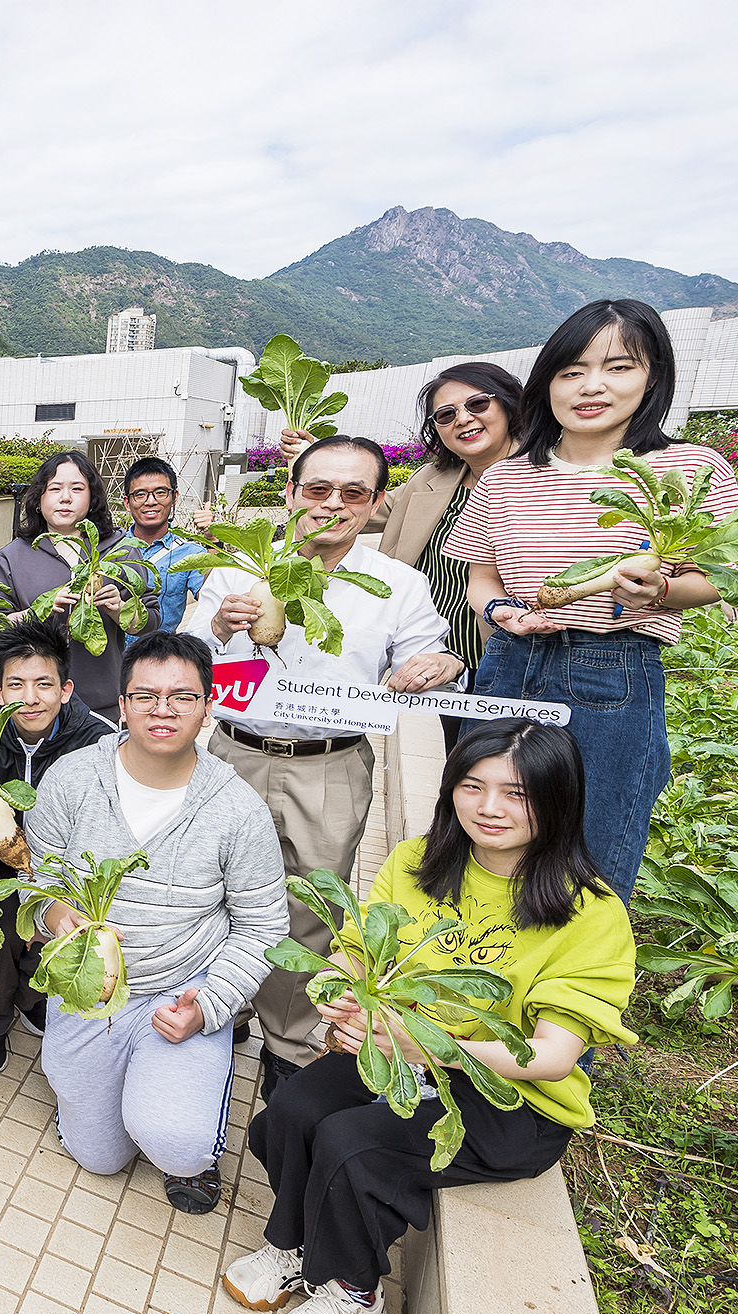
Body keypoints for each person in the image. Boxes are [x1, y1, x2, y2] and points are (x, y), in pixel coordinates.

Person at [225, 720, 636, 1314]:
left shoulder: (590, 913)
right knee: (294, 1110)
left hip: (510, 1101)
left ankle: (355, 1294)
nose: (490, 808)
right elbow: (358, 950)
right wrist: (343, 989)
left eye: (518, 794)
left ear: (560, 800)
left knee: (351, 1146)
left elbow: (552, 1056)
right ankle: (299, 1243)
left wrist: (429, 1047)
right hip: (404, 1056)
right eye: (473, 787)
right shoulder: (419, 862)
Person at [192, 435, 463, 1094]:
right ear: (290, 494)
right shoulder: (236, 574)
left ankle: (286, 1045)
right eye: (317, 489)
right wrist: (221, 628)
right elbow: (189, 660)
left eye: (353, 493)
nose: (333, 505)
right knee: (211, 890)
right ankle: (214, 1015)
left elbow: (434, 664)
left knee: (309, 911)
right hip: (234, 753)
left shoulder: (398, 584)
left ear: (373, 504)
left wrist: (439, 665)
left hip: (330, 764)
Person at [445, 299, 738, 900]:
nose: (591, 387)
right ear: (546, 382)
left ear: (653, 375)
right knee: (483, 839)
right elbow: (482, 577)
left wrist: (662, 590)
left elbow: (725, 576)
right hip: (508, 664)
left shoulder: (688, 467)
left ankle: (571, 988)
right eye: (571, 371)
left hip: (611, 667)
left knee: (593, 850)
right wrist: (502, 614)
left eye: (619, 368)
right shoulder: (507, 475)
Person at [32, 632, 287, 1213]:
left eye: (182, 696)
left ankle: (195, 1151)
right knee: (98, 1155)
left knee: (176, 1141)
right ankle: (105, 1098)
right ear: (120, 706)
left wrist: (208, 1004)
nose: (163, 710)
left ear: (208, 704)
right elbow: (39, 878)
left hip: (179, 991)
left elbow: (262, 926)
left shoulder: (236, 807)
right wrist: (53, 914)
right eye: (145, 696)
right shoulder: (72, 779)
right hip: (90, 993)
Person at [0, 617, 119, 1072]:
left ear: (65, 689)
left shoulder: (99, 737)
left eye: (43, 684)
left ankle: (31, 998)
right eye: (16, 685)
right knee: (0, 929)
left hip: (66, 863)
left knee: (63, 927)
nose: (30, 699)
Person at [366, 363, 528, 753]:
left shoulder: (544, 479)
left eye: (477, 403)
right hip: (439, 663)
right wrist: (311, 467)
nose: (464, 419)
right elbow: (368, 509)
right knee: (461, 765)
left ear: (508, 406)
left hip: (509, 660)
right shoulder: (433, 478)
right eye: (446, 414)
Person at [0, 450, 160, 723]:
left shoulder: (121, 549)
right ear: (38, 499)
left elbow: (150, 622)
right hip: (32, 706)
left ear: (92, 498)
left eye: (77, 489)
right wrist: (39, 610)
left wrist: (120, 610)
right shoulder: (11, 556)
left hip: (100, 703)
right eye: (55, 488)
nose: (65, 497)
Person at [121, 457, 209, 634]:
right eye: (140, 494)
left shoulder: (190, 553)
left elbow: (212, 598)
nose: (151, 501)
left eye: (160, 492)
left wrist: (214, 541)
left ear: (174, 497)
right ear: (127, 503)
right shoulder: (111, 548)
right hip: (112, 660)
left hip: (160, 657)